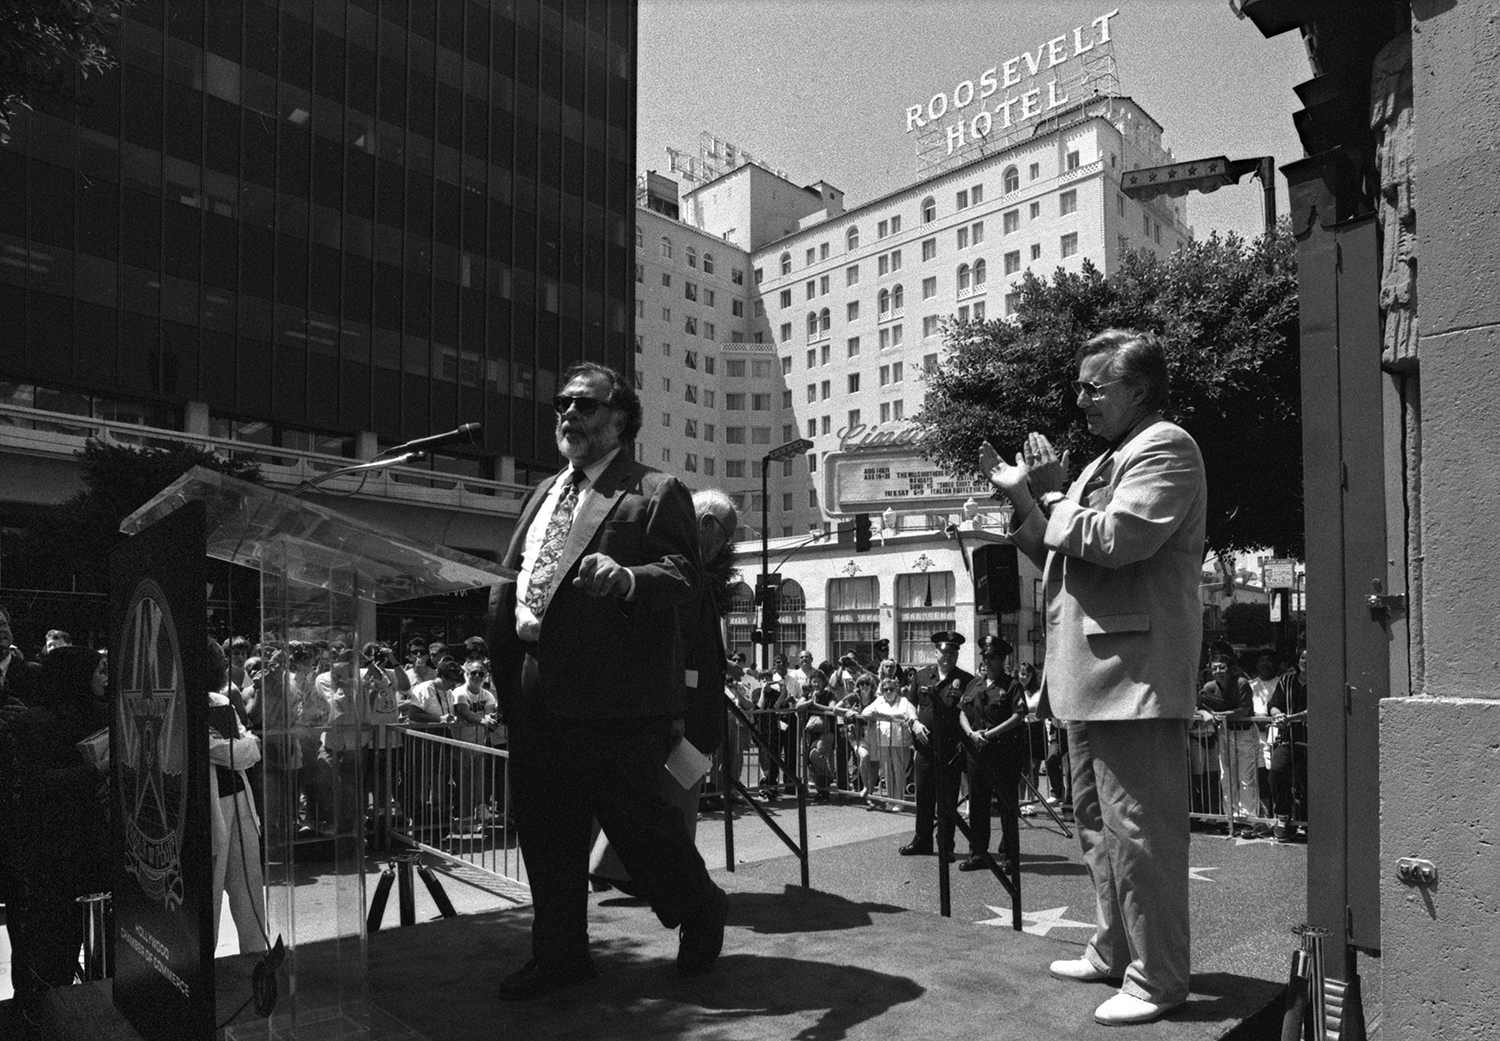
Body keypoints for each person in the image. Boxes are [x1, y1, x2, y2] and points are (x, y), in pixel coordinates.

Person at [981, 327, 1206, 1026]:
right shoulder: (1108, 457)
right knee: (1095, 827)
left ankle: (1158, 976)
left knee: (1140, 835)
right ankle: (1115, 948)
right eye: (1079, 385)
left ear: (1139, 388)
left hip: (1131, 678)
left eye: (1093, 385)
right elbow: (1056, 547)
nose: (1079, 398)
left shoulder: (1166, 446)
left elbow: (1117, 539)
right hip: (1090, 675)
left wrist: (1048, 493)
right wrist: (1021, 502)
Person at [485, 361, 726, 1000]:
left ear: (620, 418)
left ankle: (699, 906)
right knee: (547, 831)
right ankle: (561, 954)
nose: (567, 414)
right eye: (562, 403)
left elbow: (684, 574)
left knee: (641, 832)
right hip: (538, 690)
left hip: (615, 699)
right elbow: (514, 585)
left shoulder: (654, 489)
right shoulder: (542, 493)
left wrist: (627, 580)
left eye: (584, 405)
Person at [591, 488, 739, 887]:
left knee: (665, 795)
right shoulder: (681, 569)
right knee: (671, 797)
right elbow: (676, 645)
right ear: (707, 524)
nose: (725, 545)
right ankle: (656, 875)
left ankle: (623, 868)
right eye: (725, 535)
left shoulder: (684, 567)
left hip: (682, 706)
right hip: (680, 708)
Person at [205, 640, 268, 954]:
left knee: (249, 890)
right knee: (210, 896)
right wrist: (237, 749)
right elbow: (226, 750)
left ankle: (257, 959)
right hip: (209, 810)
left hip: (240, 802)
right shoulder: (176, 706)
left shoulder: (219, 701)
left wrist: (236, 750)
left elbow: (248, 750)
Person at [899, 631, 973, 860]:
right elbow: (909, 703)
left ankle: (945, 846)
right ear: (935, 653)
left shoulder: (966, 680)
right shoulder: (922, 676)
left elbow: (967, 713)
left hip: (950, 749)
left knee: (947, 800)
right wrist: (915, 723)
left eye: (953, 652)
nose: (948, 656)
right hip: (924, 747)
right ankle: (921, 841)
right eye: (944, 651)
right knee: (923, 797)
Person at [957, 635, 1027, 872]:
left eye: (991, 657)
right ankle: (978, 853)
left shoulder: (1012, 685)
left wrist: (990, 734)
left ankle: (1009, 855)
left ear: (1002, 659)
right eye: (984, 657)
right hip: (977, 753)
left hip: (1003, 753)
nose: (986, 661)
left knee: (1007, 805)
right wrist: (971, 734)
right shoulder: (974, 684)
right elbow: (962, 712)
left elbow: (1018, 716)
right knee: (978, 804)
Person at [1198, 652, 1259, 836]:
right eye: (1214, 668)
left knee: (1246, 778)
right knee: (1227, 777)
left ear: (1230, 669)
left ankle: (1249, 820)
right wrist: (1205, 713)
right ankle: (1230, 818)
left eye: (1222, 667)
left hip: (1244, 732)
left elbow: (1244, 709)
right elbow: (1198, 704)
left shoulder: (1241, 683)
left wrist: (1222, 715)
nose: (1218, 671)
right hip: (1225, 733)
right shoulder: (1209, 687)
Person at [1268, 647, 1309, 842]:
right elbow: (1273, 704)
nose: (1305, 661)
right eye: (1302, 657)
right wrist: (1277, 714)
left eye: (1309, 658)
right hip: (1288, 738)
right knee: (1277, 771)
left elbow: (1316, 710)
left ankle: (1309, 821)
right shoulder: (1286, 680)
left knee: (1309, 780)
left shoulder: (1322, 681)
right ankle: (1283, 817)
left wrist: (1290, 718)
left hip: (1312, 740)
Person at [861, 677, 917, 807]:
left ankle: (900, 802)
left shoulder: (903, 700)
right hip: (883, 741)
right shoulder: (879, 701)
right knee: (887, 772)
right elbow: (865, 712)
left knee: (899, 772)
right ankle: (890, 801)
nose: (888, 692)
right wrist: (881, 715)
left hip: (900, 741)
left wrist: (883, 716)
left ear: (896, 689)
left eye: (891, 689)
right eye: (885, 689)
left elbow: (904, 715)